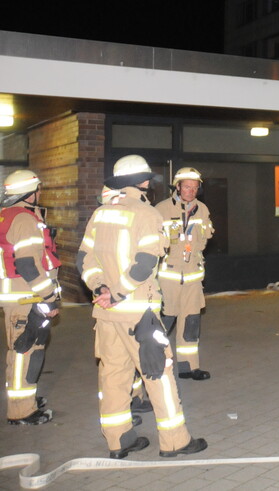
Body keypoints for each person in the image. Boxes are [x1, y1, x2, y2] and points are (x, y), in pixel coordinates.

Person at [78, 154, 207, 459]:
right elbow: (146, 261)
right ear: (144, 180)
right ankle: (175, 442)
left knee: (113, 377)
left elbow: (83, 259)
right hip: (138, 314)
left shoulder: (100, 213)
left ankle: (119, 441)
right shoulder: (147, 213)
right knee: (159, 375)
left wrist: (102, 289)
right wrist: (120, 293)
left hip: (106, 314)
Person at [1, 170, 61, 425]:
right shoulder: (24, 220)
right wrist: (49, 297)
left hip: (22, 296)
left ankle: (27, 400)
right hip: (27, 297)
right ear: (31, 192)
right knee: (23, 353)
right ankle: (20, 411)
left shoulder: (9, 215)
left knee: (29, 352)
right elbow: (28, 265)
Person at [156, 167, 214, 380]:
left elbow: (204, 240)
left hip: (192, 278)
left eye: (195, 187)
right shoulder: (160, 210)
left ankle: (189, 367)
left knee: (190, 323)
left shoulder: (203, 210)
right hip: (168, 278)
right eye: (187, 186)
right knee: (162, 324)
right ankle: (154, 365)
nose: (191, 191)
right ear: (177, 187)